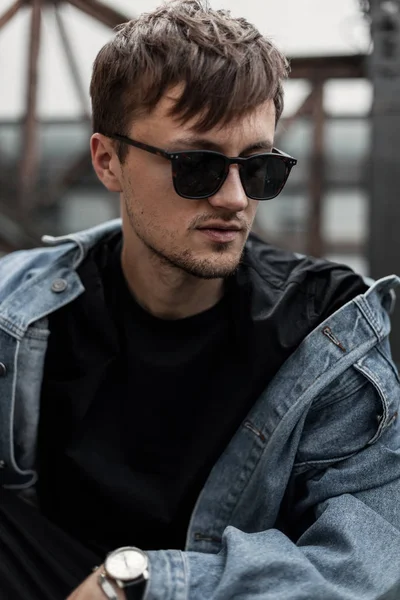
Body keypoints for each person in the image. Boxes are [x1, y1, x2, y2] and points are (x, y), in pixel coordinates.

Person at [1, 1, 400, 598]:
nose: (236, 199)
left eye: (260, 168)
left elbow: (365, 561)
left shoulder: (327, 333)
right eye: (198, 166)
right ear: (109, 161)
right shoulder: (19, 305)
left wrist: (140, 584)